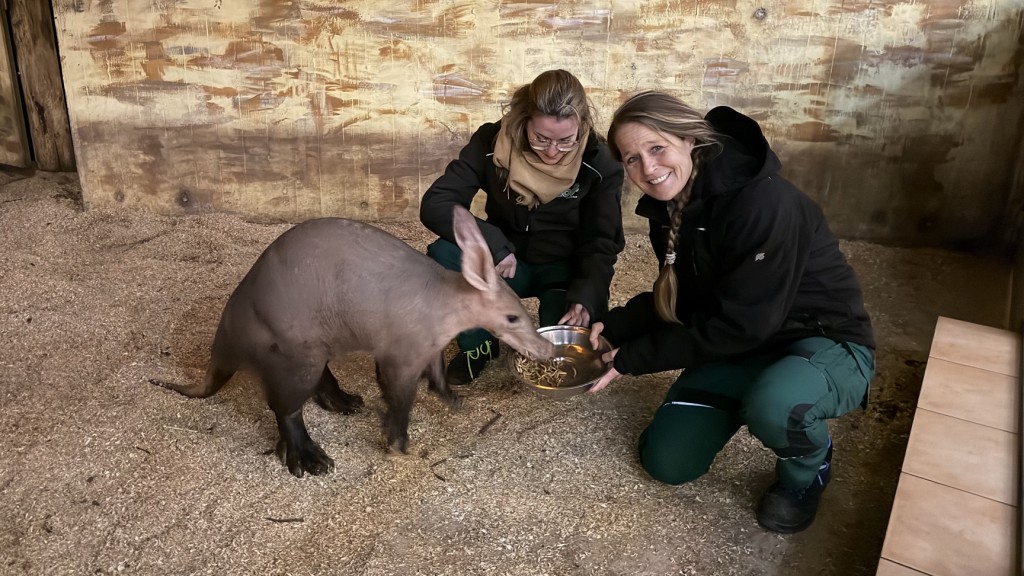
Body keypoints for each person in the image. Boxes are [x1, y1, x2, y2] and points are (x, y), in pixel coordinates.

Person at [588, 91, 875, 534]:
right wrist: (616, 327)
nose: (647, 168)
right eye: (631, 159)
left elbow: (741, 325)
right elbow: (685, 296)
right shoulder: (672, 206)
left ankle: (807, 471)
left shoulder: (764, 204)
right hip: (741, 342)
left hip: (820, 338)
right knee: (667, 462)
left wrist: (631, 358)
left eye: (657, 148)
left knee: (777, 406)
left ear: (690, 139)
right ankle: (753, 395)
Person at [420, 69, 625, 385]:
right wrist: (492, 244)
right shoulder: (491, 141)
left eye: (565, 141)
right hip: (505, 264)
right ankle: (478, 344)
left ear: (582, 125)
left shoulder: (600, 162)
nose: (552, 151)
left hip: (563, 269)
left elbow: (602, 240)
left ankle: (561, 315)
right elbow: (437, 203)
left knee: (563, 348)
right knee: (444, 254)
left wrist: (587, 294)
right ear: (524, 119)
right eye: (541, 138)